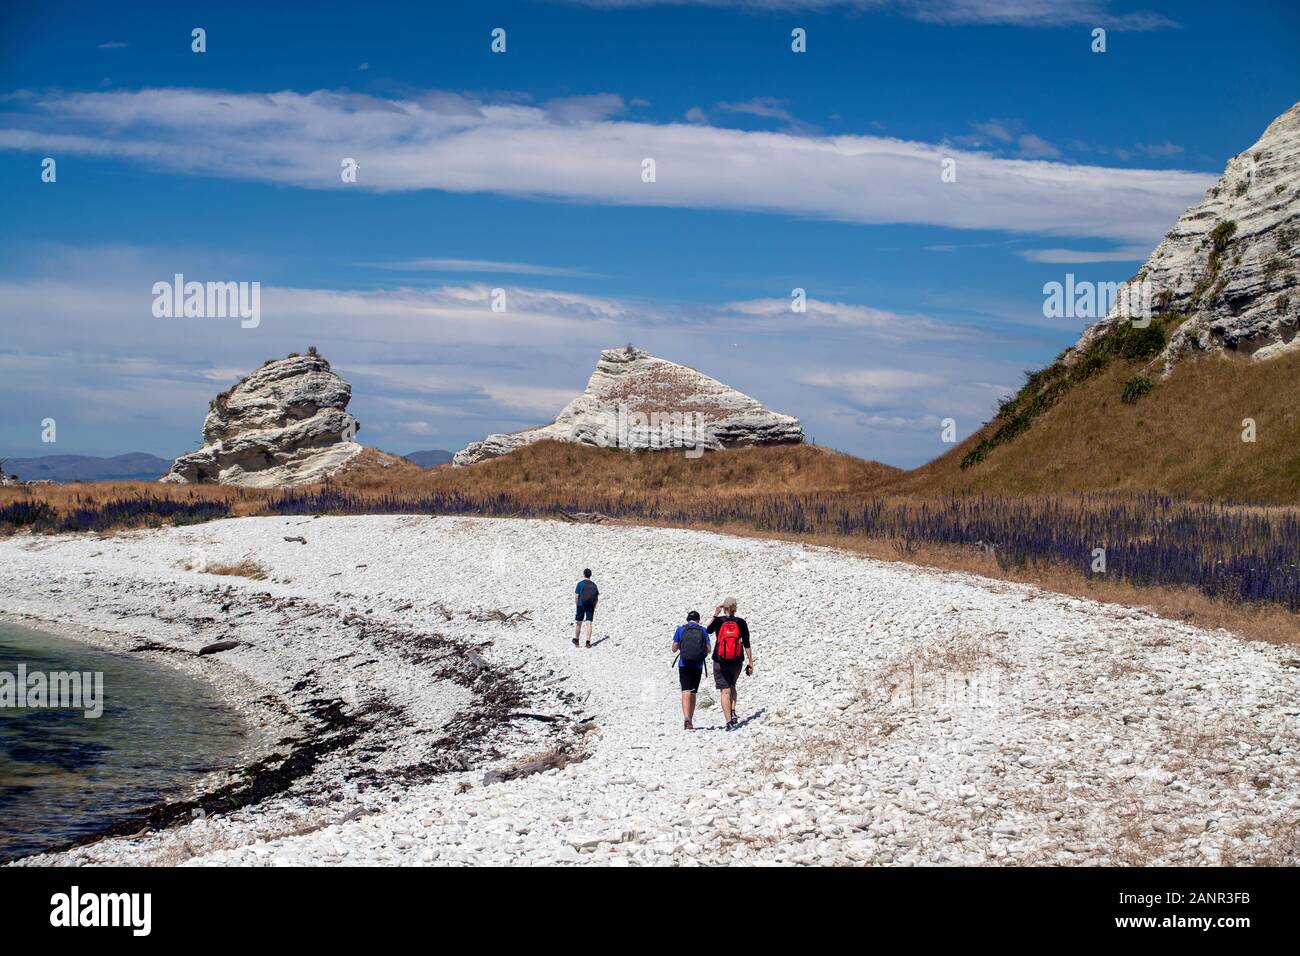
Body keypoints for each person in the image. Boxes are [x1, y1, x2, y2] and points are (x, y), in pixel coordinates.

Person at [707, 597, 753, 730]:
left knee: (724, 691)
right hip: (737, 660)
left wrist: (716, 613)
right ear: (735, 608)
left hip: (720, 659)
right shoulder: (741, 622)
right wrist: (750, 662)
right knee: (732, 685)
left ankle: (729, 722)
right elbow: (747, 644)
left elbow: (708, 630)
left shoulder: (719, 621)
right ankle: (733, 711)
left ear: (724, 608)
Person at [672, 611, 710, 730]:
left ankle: (686, 719)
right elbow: (709, 649)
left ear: (687, 619)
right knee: (693, 692)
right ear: (698, 620)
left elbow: (674, 648)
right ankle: (691, 720)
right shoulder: (703, 630)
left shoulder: (680, 630)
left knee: (685, 690)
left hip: (684, 664)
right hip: (697, 665)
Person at [573, 568, 598, 647]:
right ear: (590, 575)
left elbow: (576, 596)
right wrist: (594, 606)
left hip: (581, 604)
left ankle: (577, 640)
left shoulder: (580, 584)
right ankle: (588, 642)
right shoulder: (594, 585)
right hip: (590, 605)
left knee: (579, 622)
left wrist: (577, 605)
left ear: (584, 574)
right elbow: (596, 598)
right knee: (589, 623)